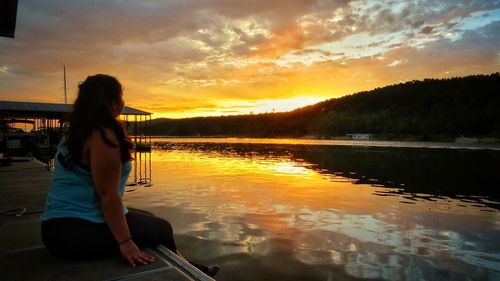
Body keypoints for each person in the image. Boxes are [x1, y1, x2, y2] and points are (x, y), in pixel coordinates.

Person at [40, 74, 218, 277]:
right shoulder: (104, 134)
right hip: (75, 234)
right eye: (121, 96)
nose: (123, 102)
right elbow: (107, 194)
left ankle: (187, 264)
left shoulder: (77, 130)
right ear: (112, 102)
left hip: (55, 228)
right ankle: (187, 273)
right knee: (162, 229)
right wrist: (125, 242)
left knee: (149, 217)